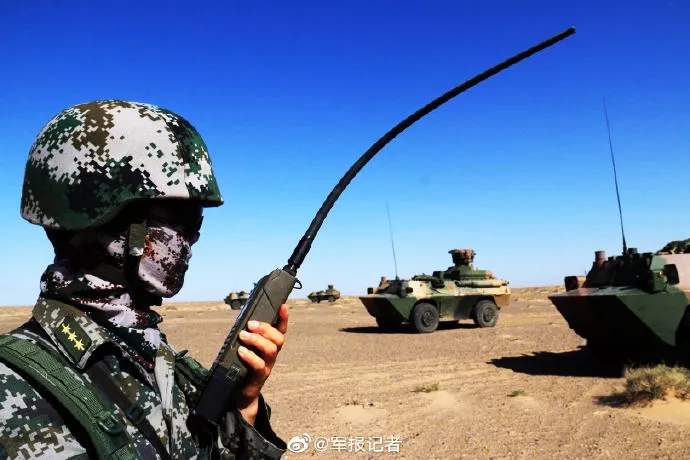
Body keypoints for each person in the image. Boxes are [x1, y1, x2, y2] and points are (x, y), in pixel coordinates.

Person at [0, 100, 288, 459]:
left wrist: (244, 406)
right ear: (103, 219)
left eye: (197, 223)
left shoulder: (156, 358)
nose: (191, 239)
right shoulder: (13, 389)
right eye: (181, 219)